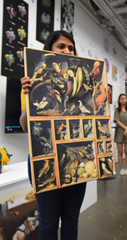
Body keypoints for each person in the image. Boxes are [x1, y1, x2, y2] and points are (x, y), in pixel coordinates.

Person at [20, 30, 87, 240]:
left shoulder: (81, 84)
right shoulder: (31, 81)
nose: (67, 50)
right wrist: (28, 96)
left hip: (75, 158)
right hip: (44, 160)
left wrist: (101, 102)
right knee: (48, 224)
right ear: (49, 49)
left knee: (70, 221)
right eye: (61, 46)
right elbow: (24, 126)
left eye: (71, 47)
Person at [113, 93, 127, 176]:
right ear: (119, 100)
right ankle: (121, 169)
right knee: (120, 152)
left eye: (125, 98)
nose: (123, 100)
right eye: (122, 98)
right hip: (120, 132)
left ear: (126, 100)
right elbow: (117, 121)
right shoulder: (117, 110)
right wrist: (125, 128)